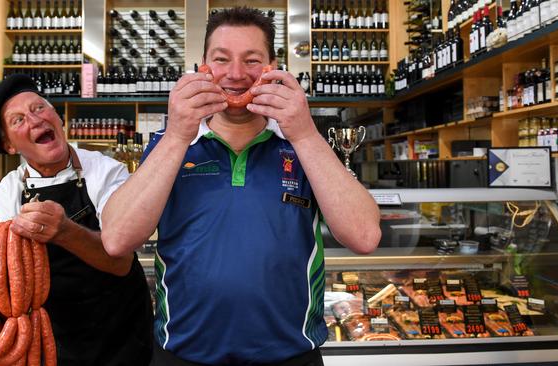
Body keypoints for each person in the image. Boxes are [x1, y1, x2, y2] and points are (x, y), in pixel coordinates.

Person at [102, 7, 381, 366]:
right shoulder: (171, 143)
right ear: (202, 66)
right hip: (182, 355)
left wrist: (304, 132)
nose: (235, 75)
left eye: (251, 60)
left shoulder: (303, 144)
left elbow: (364, 236)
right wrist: (177, 134)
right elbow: (117, 239)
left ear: (273, 67)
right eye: (221, 60)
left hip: (290, 356)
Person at [0, 74, 154, 366]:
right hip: (51, 339)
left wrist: (65, 231)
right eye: (18, 120)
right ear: (10, 146)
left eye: (39, 108)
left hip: (119, 333)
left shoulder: (106, 172)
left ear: (58, 117)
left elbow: (120, 261)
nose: (35, 120)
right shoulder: (9, 189)